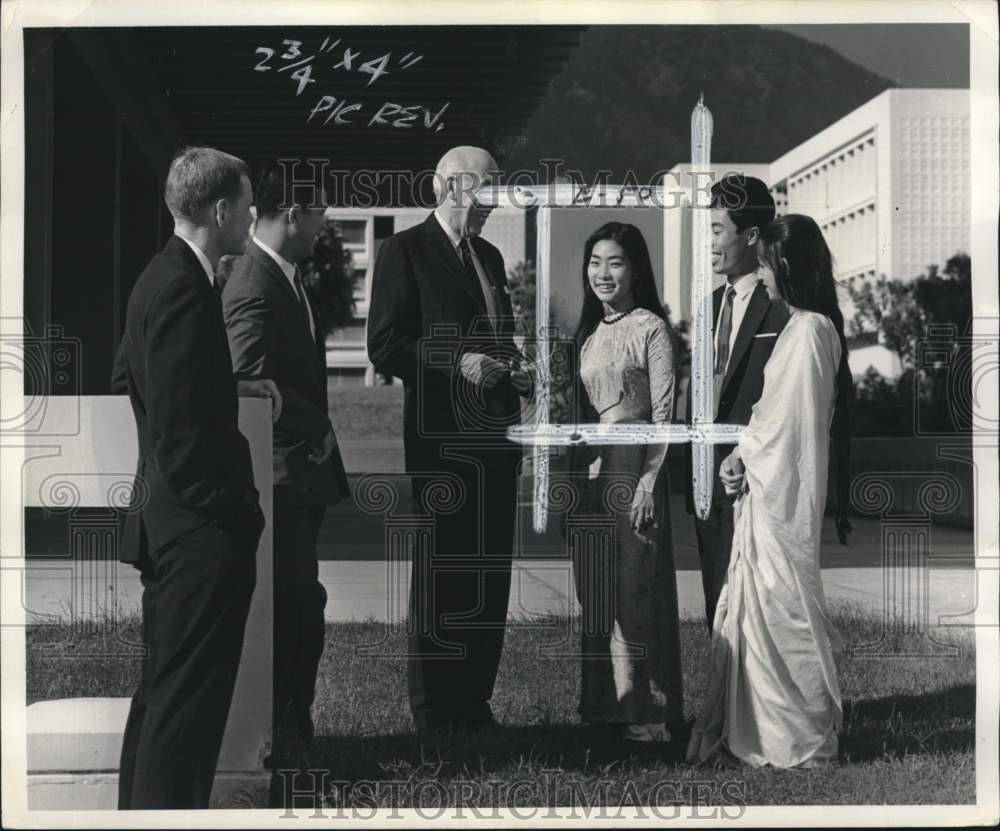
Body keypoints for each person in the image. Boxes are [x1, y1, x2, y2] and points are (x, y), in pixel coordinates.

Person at [111, 146, 281, 809]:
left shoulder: (162, 275)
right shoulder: (185, 287)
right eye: (245, 202)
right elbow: (182, 440)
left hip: (171, 527)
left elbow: (138, 379)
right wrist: (239, 512)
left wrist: (227, 382)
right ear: (220, 209)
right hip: (197, 535)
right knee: (185, 713)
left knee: (164, 701)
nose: (251, 214)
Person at [366, 146, 532, 733]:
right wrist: (455, 361)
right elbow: (384, 344)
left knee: (489, 570)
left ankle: (474, 700)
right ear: (452, 186)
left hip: (495, 438)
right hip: (441, 444)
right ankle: (435, 707)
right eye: (489, 189)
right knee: (444, 571)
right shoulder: (403, 251)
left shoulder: (488, 255)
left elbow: (497, 338)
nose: (494, 203)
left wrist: (518, 367)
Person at [686, 214, 852, 769]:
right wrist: (741, 454)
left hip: (782, 497)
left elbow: (790, 428)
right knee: (761, 611)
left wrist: (746, 455)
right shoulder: (809, 327)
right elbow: (771, 417)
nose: (764, 274)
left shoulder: (807, 331)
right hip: (768, 487)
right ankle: (760, 729)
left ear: (787, 267)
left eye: (769, 265)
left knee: (782, 609)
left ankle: (797, 736)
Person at [221, 163, 350, 798]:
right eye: (321, 213)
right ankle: (283, 733)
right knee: (295, 607)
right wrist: (313, 424)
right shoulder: (252, 280)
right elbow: (245, 377)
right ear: (292, 214)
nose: (327, 225)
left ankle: (292, 725)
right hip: (280, 477)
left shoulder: (284, 276)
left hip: (299, 476)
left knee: (304, 606)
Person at [566, 222, 684, 743]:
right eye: (594, 262)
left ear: (635, 268)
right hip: (590, 483)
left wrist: (648, 485)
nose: (602, 273)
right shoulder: (589, 336)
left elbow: (664, 418)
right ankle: (602, 711)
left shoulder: (652, 329)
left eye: (614, 262)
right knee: (598, 599)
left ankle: (648, 713)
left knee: (637, 598)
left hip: (634, 477)